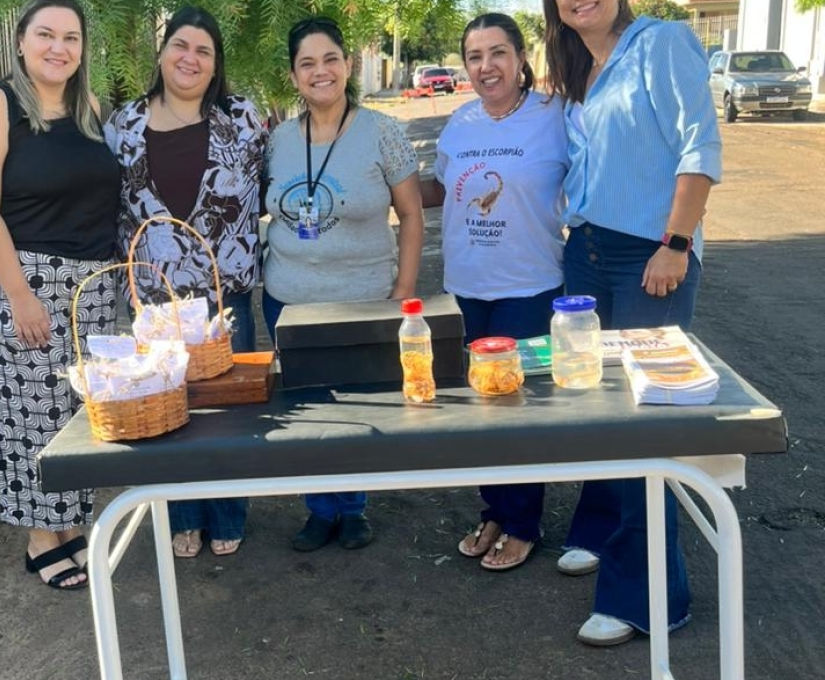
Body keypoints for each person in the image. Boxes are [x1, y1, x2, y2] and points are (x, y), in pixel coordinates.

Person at [542, 0, 721, 645]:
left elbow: (699, 145)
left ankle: (646, 600)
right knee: (599, 404)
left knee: (646, 421)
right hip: (587, 249)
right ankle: (599, 529)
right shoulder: (579, 68)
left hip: (649, 253)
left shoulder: (661, 42)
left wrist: (676, 242)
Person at [0, 0, 120, 590]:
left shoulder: (89, 108)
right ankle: (39, 538)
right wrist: (20, 296)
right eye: (46, 35)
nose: (59, 47)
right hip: (26, 277)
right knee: (30, 414)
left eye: (71, 37)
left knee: (79, 410)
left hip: (92, 284)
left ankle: (69, 522)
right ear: (22, 42)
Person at [104, 6, 266, 559]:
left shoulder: (242, 118)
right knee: (168, 412)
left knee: (227, 413)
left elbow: (266, 189)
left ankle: (228, 513)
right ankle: (183, 515)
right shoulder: (124, 124)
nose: (190, 58)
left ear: (216, 64)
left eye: (204, 50)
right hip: (156, 301)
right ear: (162, 52)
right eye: (181, 45)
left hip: (225, 298)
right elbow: (112, 205)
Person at [262, 16, 425, 553]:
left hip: (362, 302)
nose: (321, 71)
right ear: (293, 76)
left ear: (348, 65)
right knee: (306, 412)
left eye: (330, 59)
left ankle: (353, 508)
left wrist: (404, 289)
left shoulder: (382, 132)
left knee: (356, 411)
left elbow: (412, 215)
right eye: (307, 63)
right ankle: (319, 509)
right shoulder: (278, 140)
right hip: (287, 303)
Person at [420, 13, 568, 571]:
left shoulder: (554, 116)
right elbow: (441, 188)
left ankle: (524, 522)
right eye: (475, 56)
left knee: (518, 407)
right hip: (467, 288)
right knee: (480, 407)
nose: (487, 66)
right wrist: (381, 189)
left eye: (498, 52)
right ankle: (495, 511)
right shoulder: (460, 123)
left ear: (521, 57)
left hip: (529, 287)